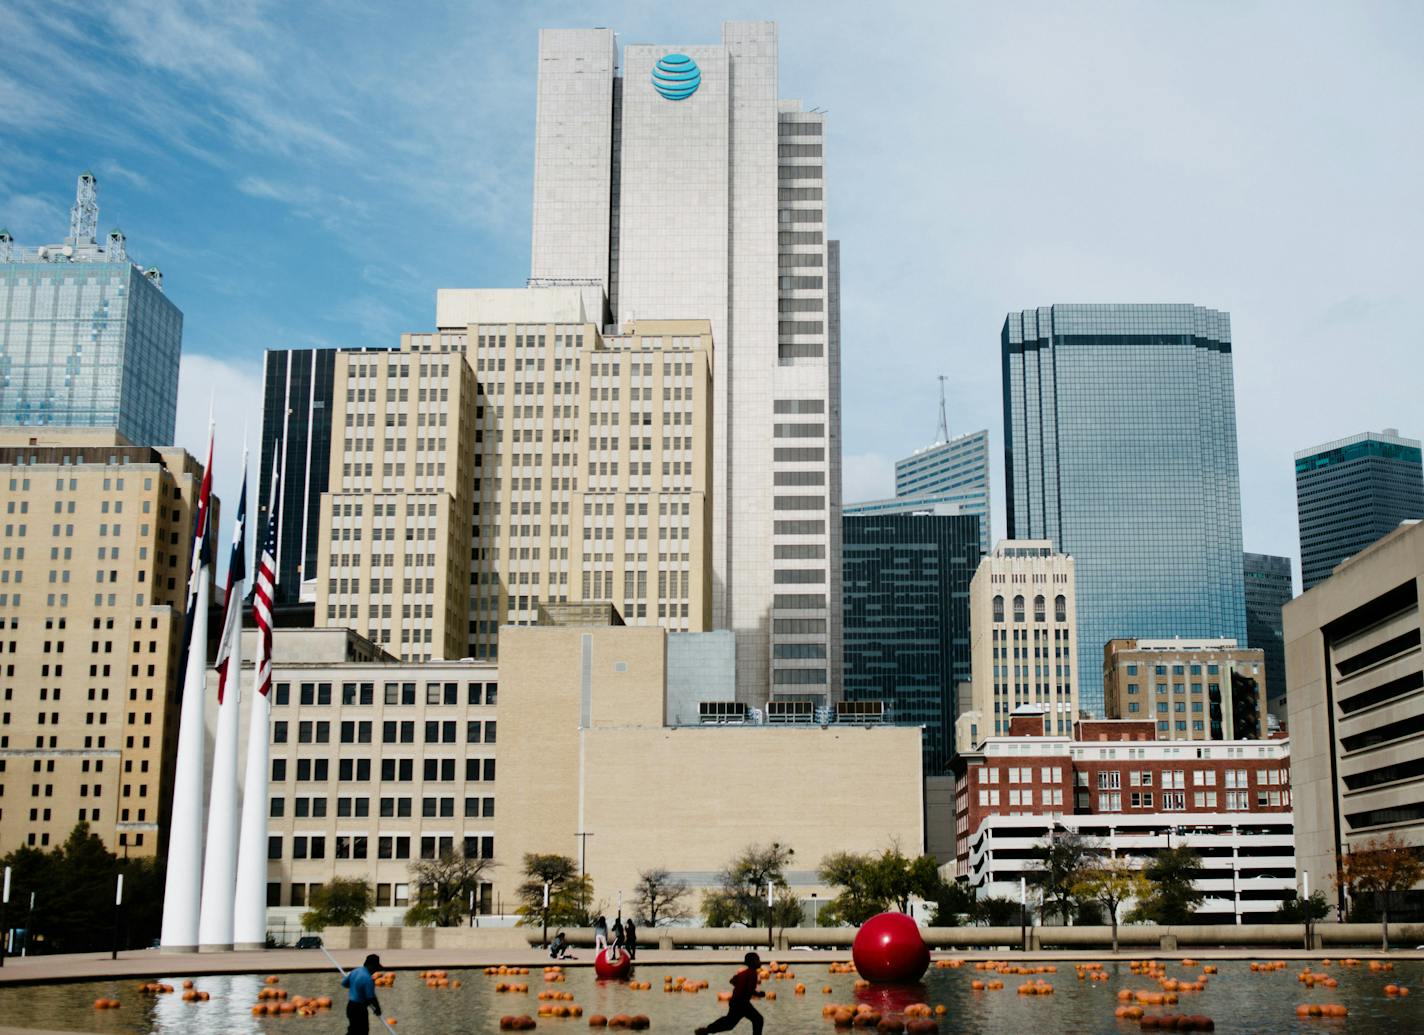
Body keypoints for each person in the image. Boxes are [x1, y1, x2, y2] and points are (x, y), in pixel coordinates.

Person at [696, 951, 764, 1035]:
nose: (760, 962)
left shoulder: (744, 973)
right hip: (741, 1003)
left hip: (736, 1001)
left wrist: (739, 985)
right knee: (758, 1020)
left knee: (729, 1023)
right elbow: (749, 990)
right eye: (758, 960)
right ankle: (706, 1030)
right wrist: (759, 994)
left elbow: (732, 980)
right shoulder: (753, 973)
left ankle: (706, 1030)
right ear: (753, 962)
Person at [341, 952, 384, 1035]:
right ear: (372, 965)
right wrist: (377, 1009)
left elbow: (344, 984)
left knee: (353, 1030)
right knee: (363, 1032)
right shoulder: (368, 979)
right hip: (359, 1010)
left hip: (350, 1007)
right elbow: (371, 998)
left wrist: (355, 985)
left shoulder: (355, 971)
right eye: (376, 968)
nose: (376, 970)